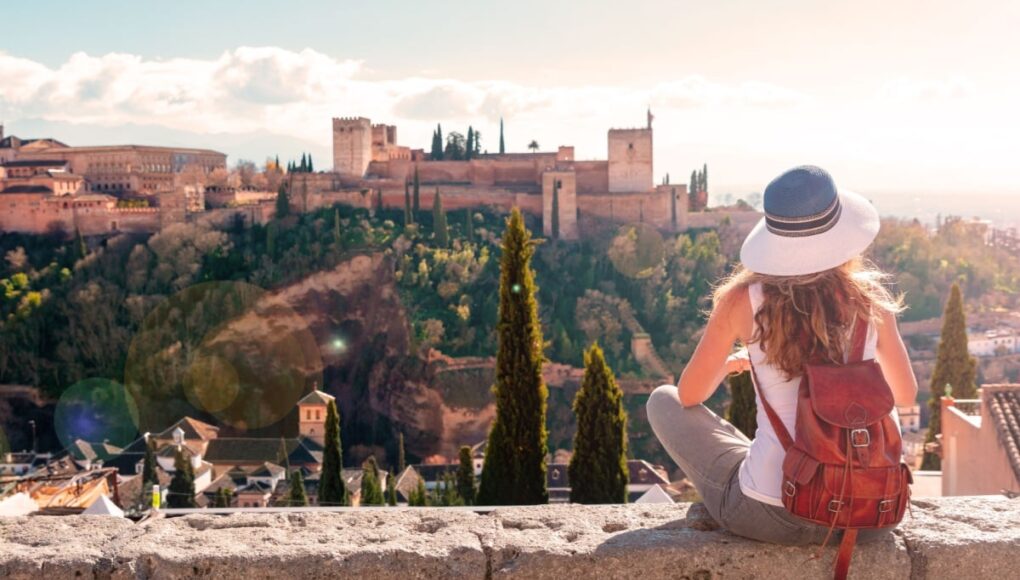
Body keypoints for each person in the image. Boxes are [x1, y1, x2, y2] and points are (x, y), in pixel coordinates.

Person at [647, 165, 917, 545]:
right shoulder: (870, 301)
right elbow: (904, 395)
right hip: (870, 513)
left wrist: (728, 365)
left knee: (663, 401)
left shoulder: (742, 301)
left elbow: (689, 396)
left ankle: (766, 466)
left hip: (773, 514)